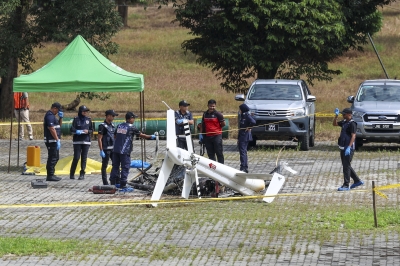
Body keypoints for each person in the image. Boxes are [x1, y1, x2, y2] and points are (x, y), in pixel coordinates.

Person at [110, 112, 156, 189]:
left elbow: (115, 136)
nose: (134, 120)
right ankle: (123, 184)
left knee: (115, 166)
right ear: (130, 119)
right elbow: (142, 135)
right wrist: (151, 136)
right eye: (133, 118)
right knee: (125, 167)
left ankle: (112, 182)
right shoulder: (131, 127)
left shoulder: (119, 126)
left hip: (116, 150)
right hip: (124, 151)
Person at [333, 107, 364, 191]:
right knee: (346, 165)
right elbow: (335, 124)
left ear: (349, 114)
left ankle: (346, 185)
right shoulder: (344, 122)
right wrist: (336, 116)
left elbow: (353, 136)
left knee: (346, 166)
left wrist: (349, 147)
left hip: (348, 148)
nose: (342, 115)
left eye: (344, 114)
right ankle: (357, 181)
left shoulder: (352, 123)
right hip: (343, 146)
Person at [69, 105, 93, 180]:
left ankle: (82, 173)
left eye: (86, 111)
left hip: (86, 141)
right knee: (76, 157)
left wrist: (88, 131)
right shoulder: (76, 119)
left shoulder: (88, 119)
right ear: (80, 111)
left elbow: (92, 129)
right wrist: (76, 131)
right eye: (84, 111)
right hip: (77, 141)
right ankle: (72, 173)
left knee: (84, 158)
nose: (85, 112)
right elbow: (72, 129)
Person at [199, 99, 226, 164]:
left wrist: (216, 129)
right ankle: (213, 168)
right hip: (207, 136)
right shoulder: (205, 114)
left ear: (215, 106)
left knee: (219, 152)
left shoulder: (218, 114)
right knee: (210, 154)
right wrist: (201, 134)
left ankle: (221, 167)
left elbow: (223, 124)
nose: (212, 108)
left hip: (217, 135)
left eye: (213, 106)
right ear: (208, 106)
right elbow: (203, 124)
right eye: (210, 106)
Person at [43, 102, 63, 182]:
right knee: (52, 157)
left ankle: (52, 173)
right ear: (54, 108)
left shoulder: (53, 116)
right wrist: (57, 139)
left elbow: (59, 126)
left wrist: (61, 118)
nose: (58, 112)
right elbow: (51, 128)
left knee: (55, 157)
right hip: (51, 140)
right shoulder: (49, 116)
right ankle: (50, 175)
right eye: (58, 110)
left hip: (54, 140)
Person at [98, 109, 119, 185]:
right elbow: (99, 138)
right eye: (113, 116)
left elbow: (114, 137)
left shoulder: (112, 125)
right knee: (104, 166)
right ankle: (105, 182)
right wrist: (101, 150)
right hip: (106, 149)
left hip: (113, 149)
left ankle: (116, 180)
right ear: (108, 116)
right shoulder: (102, 126)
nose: (113, 117)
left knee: (116, 164)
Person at [238, 104, 256, 173]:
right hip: (241, 136)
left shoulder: (246, 115)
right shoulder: (242, 116)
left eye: (240, 109)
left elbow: (253, 122)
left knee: (243, 152)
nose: (239, 111)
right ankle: (244, 166)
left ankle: (244, 167)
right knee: (242, 151)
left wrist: (249, 127)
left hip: (245, 136)